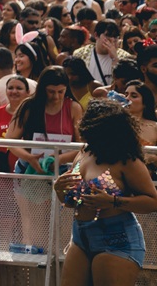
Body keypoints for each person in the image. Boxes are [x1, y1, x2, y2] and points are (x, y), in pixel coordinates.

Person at [53, 99, 157, 286]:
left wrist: (114, 201)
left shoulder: (127, 161)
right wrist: (59, 190)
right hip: (80, 237)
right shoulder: (84, 152)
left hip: (117, 240)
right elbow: (71, 202)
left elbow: (153, 201)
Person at [0, 75, 30, 173]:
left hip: (26, 168)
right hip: (3, 170)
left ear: (28, 93)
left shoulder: (34, 114)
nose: (14, 91)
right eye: (10, 88)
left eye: (19, 88)